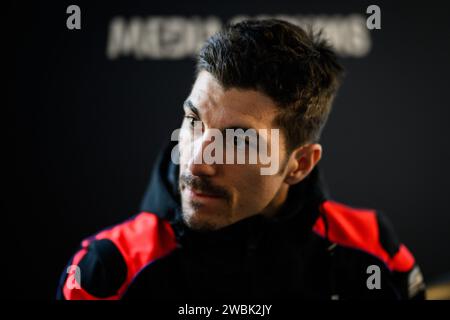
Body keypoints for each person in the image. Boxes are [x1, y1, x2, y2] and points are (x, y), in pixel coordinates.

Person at [57, 19, 425, 300]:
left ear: (299, 165)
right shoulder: (110, 270)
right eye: (192, 121)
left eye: (238, 140)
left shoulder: (373, 253)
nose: (198, 162)